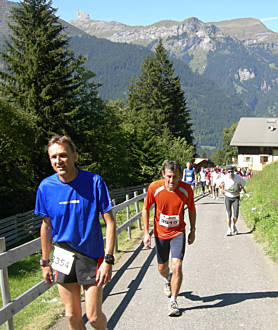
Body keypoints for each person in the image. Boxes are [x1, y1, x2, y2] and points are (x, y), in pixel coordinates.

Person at [34, 135, 116, 330]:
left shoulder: (94, 181)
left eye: (63, 155)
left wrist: (108, 259)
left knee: (94, 317)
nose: (58, 161)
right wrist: (45, 262)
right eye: (53, 157)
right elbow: (46, 227)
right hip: (63, 255)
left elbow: (110, 222)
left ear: (74, 156)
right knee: (71, 316)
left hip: (91, 254)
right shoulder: (46, 187)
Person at [142, 161, 196, 317]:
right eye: (169, 177)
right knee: (162, 268)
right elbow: (145, 209)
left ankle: (173, 301)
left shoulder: (186, 189)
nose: (172, 181)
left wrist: (193, 230)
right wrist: (147, 233)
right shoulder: (154, 188)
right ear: (163, 175)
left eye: (176, 177)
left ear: (180, 176)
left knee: (177, 265)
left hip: (178, 232)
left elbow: (192, 209)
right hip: (160, 234)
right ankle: (167, 279)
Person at [217, 165, 246, 236]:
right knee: (229, 214)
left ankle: (233, 225)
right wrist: (221, 190)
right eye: (229, 172)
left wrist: (239, 190)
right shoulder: (224, 177)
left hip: (236, 197)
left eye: (232, 172)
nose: (230, 173)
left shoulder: (238, 177)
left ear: (234, 171)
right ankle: (229, 229)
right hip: (227, 197)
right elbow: (217, 183)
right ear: (227, 172)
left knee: (236, 215)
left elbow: (243, 185)